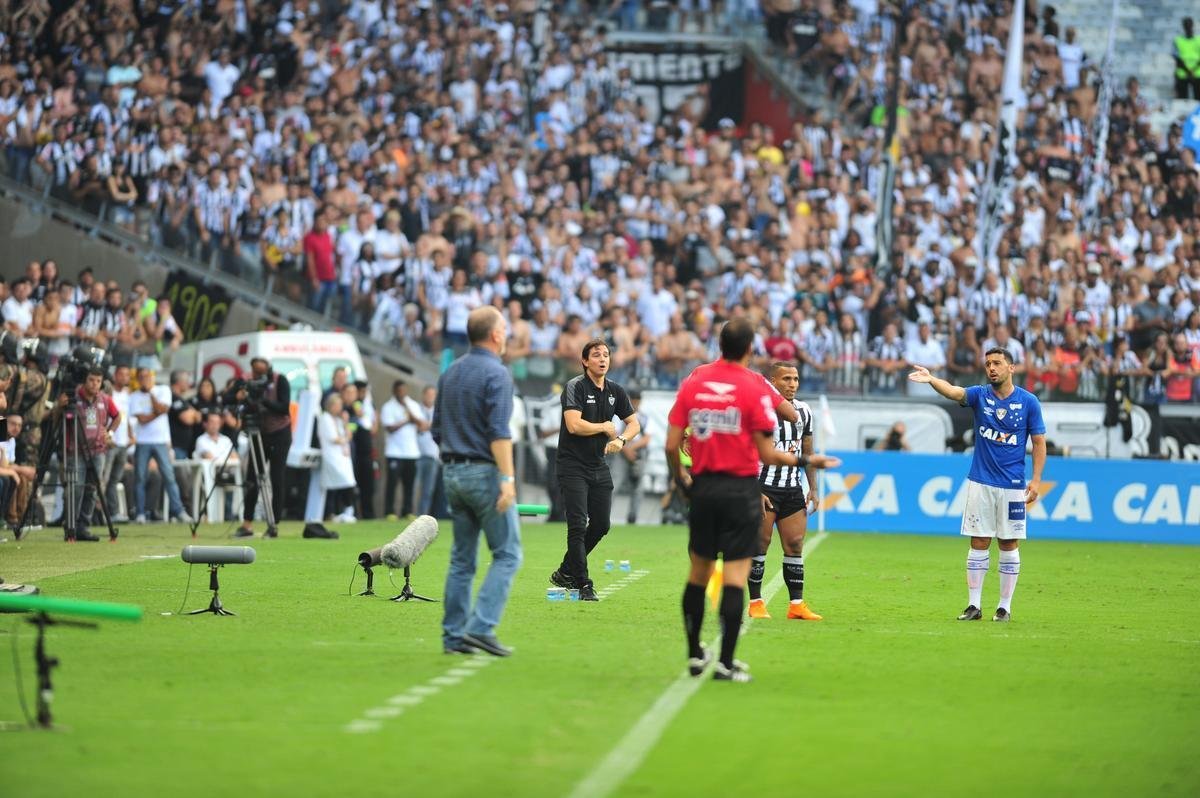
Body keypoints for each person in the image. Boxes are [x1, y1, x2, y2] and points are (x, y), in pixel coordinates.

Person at [664, 318, 826, 683]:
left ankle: (693, 653)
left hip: (703, 488)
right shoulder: (755, 386)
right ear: (750, 348)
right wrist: (804, 460)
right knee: (735, 576)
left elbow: (671, 445)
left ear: (719, 344)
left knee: (698, 574)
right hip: (741, 491)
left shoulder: (695, 381)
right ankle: (725, 662)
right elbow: (778, 435)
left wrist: (682, 481)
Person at [908, 348, 1046, 622]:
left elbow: (1039, 443)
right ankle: (974, 606)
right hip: (980, 482)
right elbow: (954, 392)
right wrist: (932, 379)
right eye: (988, 364)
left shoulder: (1029, 402)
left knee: (1009, 543)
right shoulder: (980, 395)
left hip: (1013, 485)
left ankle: (1004, 607)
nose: (991, 368)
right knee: (979, 541)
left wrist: (1037, 479)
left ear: (1011, 367)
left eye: (997, 363)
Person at [432, 306, 522, 657]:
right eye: (505, 327)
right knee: (508, 554)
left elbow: (436, 430)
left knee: (461, 559)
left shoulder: (450, 372)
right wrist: (507, 479)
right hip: (485, 473)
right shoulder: (497, 374)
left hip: (451, 471)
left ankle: (453, 636)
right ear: (496, 335)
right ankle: (481, 627)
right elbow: (499, 433)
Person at [549, 338, 641, 601]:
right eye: (597, 355)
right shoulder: (574, 386)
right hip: (572, 465)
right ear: (585, 361)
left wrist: (622, 440)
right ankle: (583, 583)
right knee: (577, 525)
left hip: (598, 466)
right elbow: (574, 425)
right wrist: (604, 427)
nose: (603, 359)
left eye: (606, 355)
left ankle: (566, 570)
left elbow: (633, 424)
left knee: (601, 525)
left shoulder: (616, 390)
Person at [749, 362, 841, 621]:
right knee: (760, 543)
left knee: (795, 544)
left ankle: (796, 605)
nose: (792, 384)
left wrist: (813, 488)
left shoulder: (805, 411)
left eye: (796, 379)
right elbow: (747, 452)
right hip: (763, 486)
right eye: (786, 379)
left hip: (792, 489)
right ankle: (756, 602)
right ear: (772, 382)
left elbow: (808, 453)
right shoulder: (759, 410)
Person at [236, 357, 294, 538]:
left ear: (268, 371)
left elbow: (284, 407)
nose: (258, 376)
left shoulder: (280, 380)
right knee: (252, 477)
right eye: (255, 372)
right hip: (259, 432)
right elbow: (234, 397)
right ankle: (247, 524)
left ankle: (273, 524)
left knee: (276, 478)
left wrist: (263, 400)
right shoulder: (247, 381)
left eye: (262, 373)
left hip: (280, 433)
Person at [61, 368, 121, 541]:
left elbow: (117, 417)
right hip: (76, 450)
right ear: (84, 381)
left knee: (92, 490)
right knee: (76, 488)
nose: (95, 384)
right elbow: (59, 418)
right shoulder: (74, 397)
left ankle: (83, 527)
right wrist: (60, 405)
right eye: (91, 380)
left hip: (98, 450)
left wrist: (109, 432)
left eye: (98, 381)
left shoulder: (105, 399)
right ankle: (70, 527)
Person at [129, 367, 192, 524]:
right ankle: (141, 513)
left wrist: (152, 396)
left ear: (152, 376)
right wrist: (158, 412)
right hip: (143, 441)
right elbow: (143, 419)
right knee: (140, 478)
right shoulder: (134, 396)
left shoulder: (163, 389)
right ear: (137, 379)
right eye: (141, 377)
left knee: (169, 476)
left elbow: (163, 409)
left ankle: (179, 511)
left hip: (161, 440)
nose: (145, 379)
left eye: (147, 376)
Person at [381, 380, 425, 519]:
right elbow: (389, 428)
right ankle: (390, 511)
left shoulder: (413, 405)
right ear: (394, 392)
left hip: (411, 452)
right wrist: (406, 421)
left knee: (410, 484)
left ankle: (407, 510)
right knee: (392, 484)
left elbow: (422, 425)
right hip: (394, 452)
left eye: (404, 391)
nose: (402, 394)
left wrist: (411, 416)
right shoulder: (388, 407)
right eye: (399, 391)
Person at [613, 387, 651, 525]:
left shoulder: (644, 417)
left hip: (638, 453)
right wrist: (626, 449)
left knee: (638, 487)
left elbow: (647, 438)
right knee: (614, 483)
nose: (635, 403)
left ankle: (632, 517)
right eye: (633, 400)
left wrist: (631, 448)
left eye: (637, 400)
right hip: (622, 451)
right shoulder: (619, 416)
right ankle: (605, 514)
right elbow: (614, 433)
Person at [317, 393, 356, 527]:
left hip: (342, 456)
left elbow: (348, 435)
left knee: (347, 482)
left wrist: (345, 423)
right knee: (341, 481)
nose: (340, 408)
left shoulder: (338, 420)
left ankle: (346, 511)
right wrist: (344, 440)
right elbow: (334, 439)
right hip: (332, 455)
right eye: (338, 405)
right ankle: (334, 512)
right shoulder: (325, 418)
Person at [415, 384, 442, 517]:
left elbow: (435, 427)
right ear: (423, 395)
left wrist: (426, 425)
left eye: (433, 395)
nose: (430, 397)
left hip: (432, 455)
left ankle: (423, 515)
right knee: (415, 487)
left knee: (428, 489)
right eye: (428, 394)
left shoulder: (438, 412)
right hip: (417, 453)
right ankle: (411, 514)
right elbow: (418, 426)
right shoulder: (416, 409)